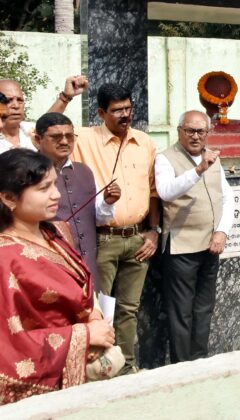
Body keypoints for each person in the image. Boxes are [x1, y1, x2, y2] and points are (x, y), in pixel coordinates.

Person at [0, 149, 115, 404]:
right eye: (43, 188)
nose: (56, 195)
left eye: (55, 184)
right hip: (46, 386)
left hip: (84, 360)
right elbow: (8, 343)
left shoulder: (53, 232)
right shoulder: (6, 257)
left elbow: (81, 286)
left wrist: (96, 320)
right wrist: (85, 336)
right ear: (8, 198)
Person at [72, 83, 160, 375]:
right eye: (117, 110)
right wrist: (65, 97)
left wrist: (153, 230)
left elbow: (153, 192)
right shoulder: (85, 139)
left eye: (128, 108)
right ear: (101, 113)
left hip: (137, 239)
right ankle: (101, 371)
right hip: (102, 240)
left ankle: (127, 368)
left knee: (128, 309)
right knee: (99, 310)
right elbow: (43, 134)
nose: (125, 115)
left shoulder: (145, 142)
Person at [154, 110, 233, 362]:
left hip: (210, 245)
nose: (196, 136)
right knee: (181, 313)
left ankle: (200, 362)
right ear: (179, 131)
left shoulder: (213, 158)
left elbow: (227, 197)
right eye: (190, 130)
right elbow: (166, 192)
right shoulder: (166, 158)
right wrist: (198, 170)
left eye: (201, 131)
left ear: (208, 133)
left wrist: (222, 231)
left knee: (204, 310)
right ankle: (181, 366)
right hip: (180, 249)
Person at [33, 112, 120, 291]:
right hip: (48, 269)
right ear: (37, 139)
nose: (64, 142)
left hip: (87, 269)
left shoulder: (84, 171)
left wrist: (108, 203)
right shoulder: (27, 174)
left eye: (69, 136)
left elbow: (99, 219)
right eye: (56, 137)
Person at [0, 76, 87, 154]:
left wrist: (66, 97)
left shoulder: (29, 131)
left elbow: (47, 122)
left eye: (20, 100)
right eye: (8, 100)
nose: (16, 106)